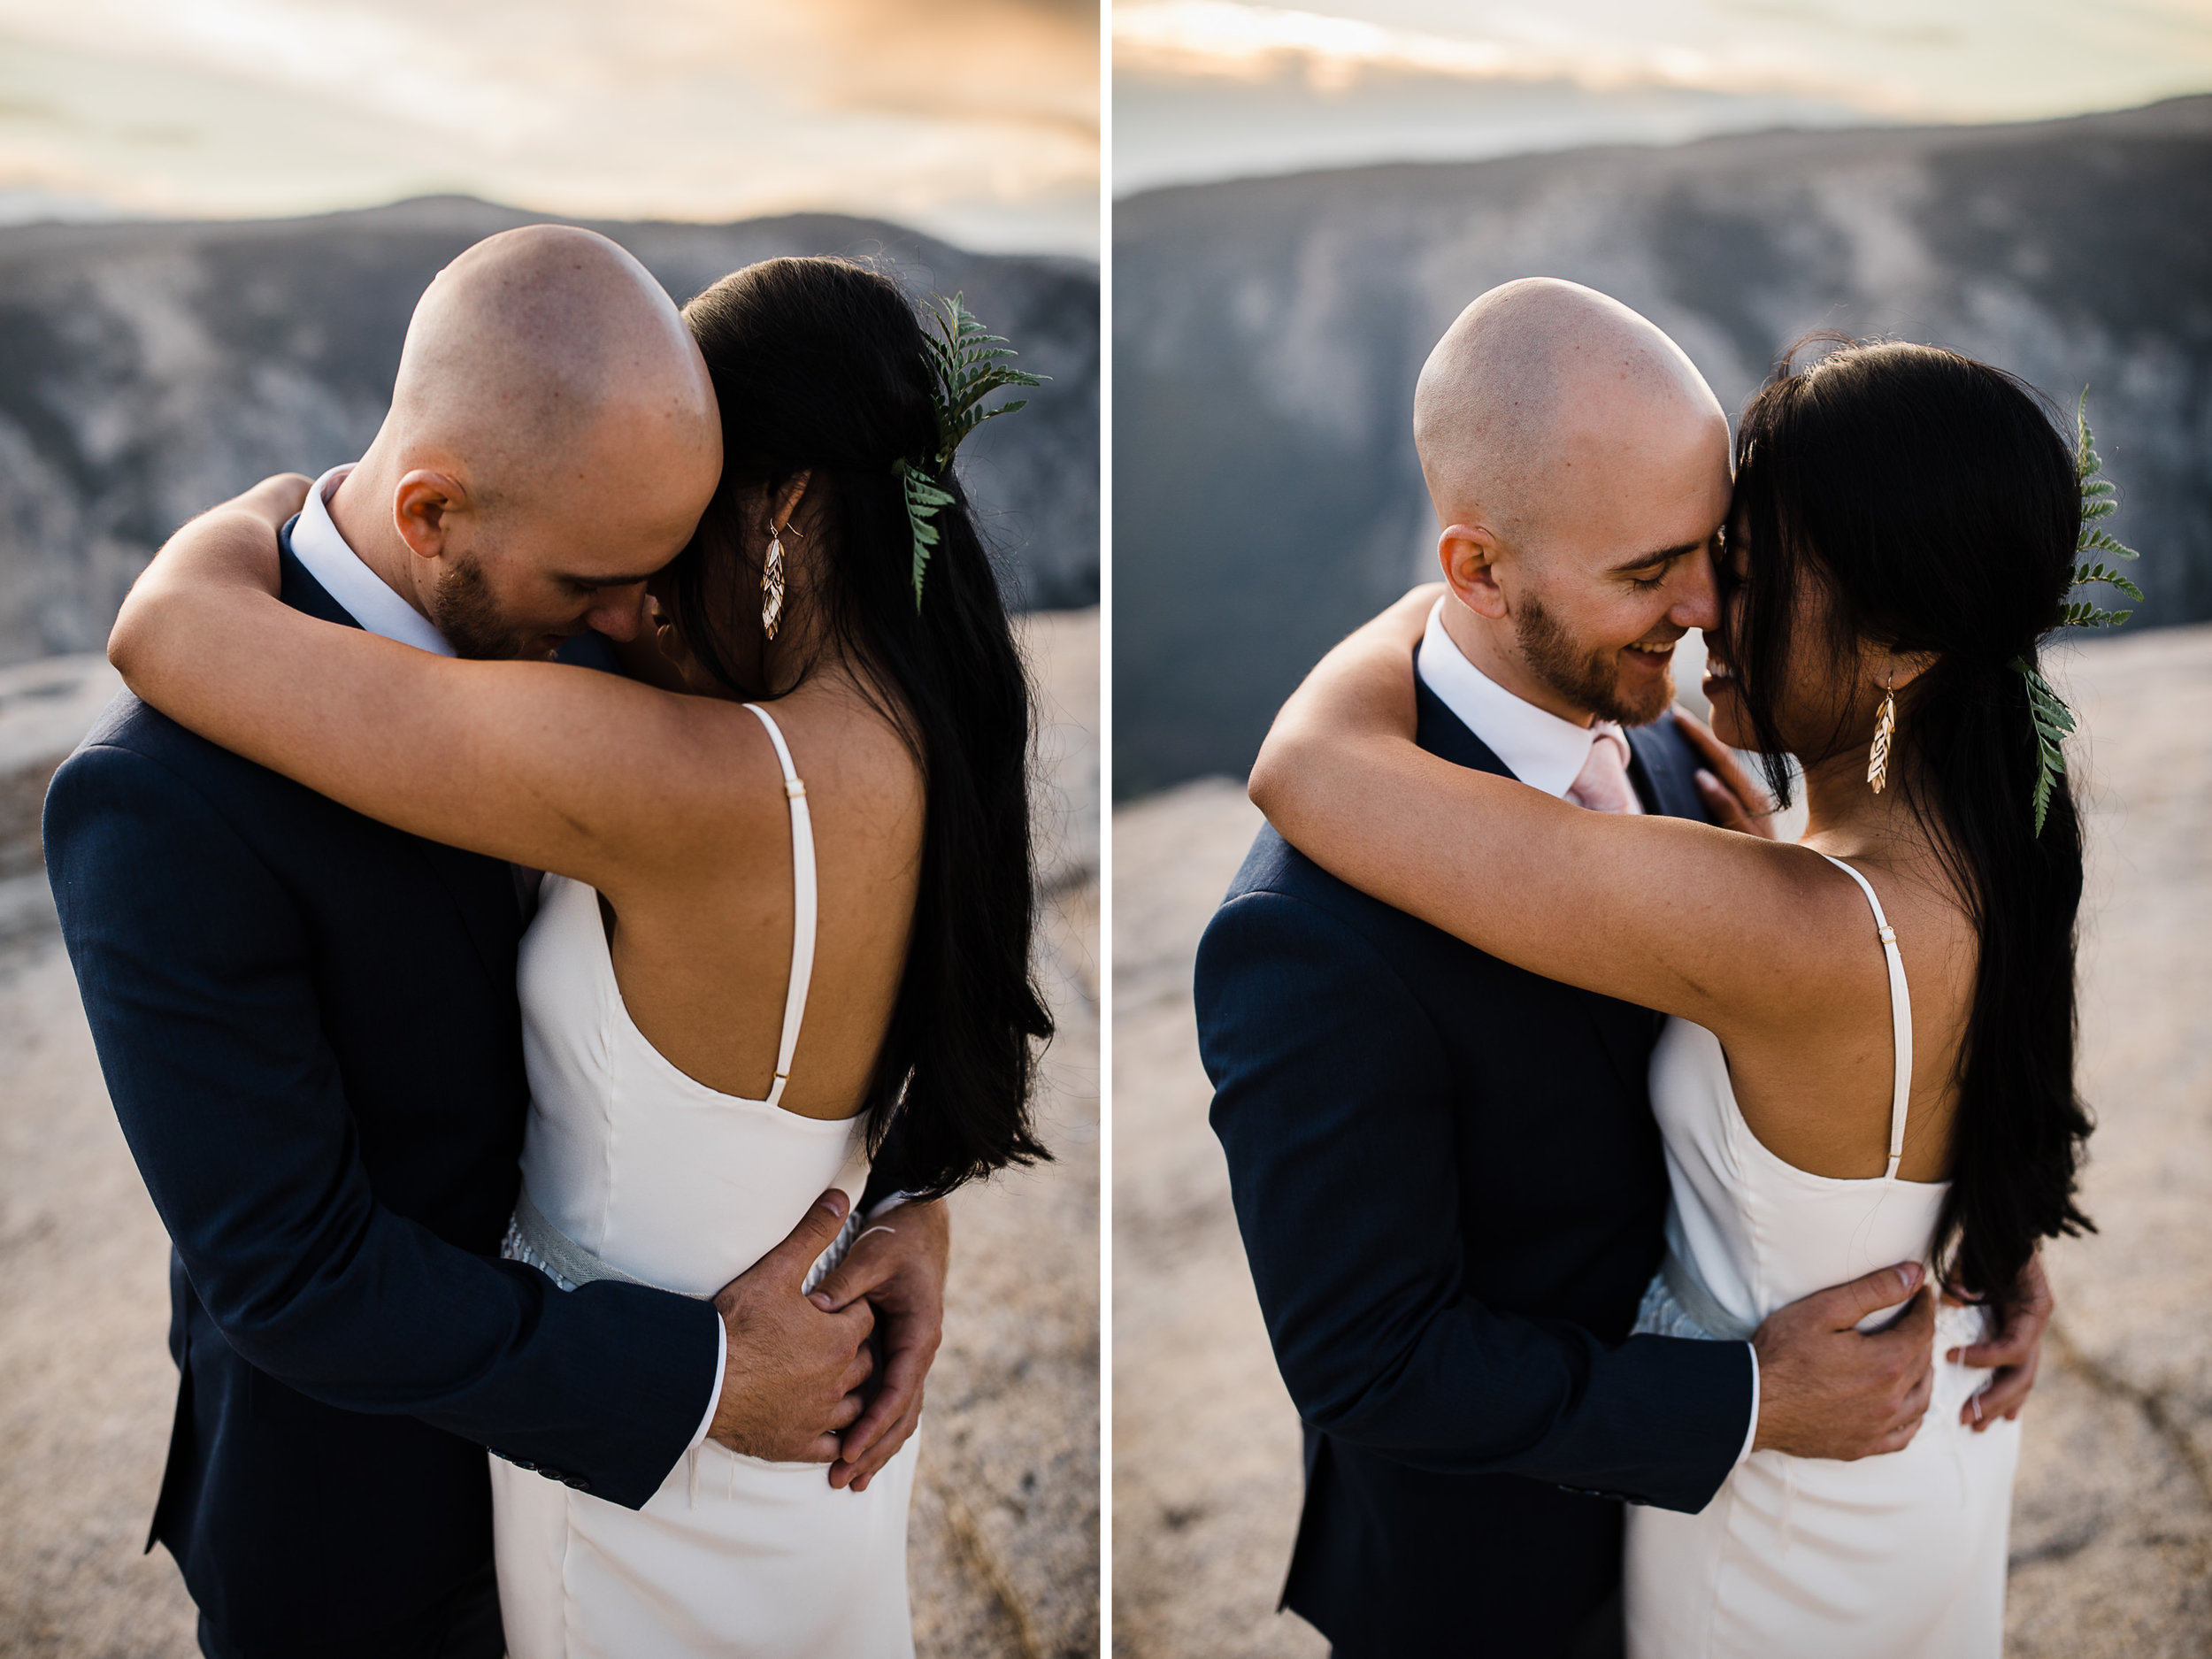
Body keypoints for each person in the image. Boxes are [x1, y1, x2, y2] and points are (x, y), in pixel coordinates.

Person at [63, 232, 1048, 1655]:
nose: (638, 619)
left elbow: (807, 953)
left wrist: (895, 1199)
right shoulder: (159, 794)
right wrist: (704, 1376)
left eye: (655, 574)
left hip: (637, 1505)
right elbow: (288, 1270)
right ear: (438, 510)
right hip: (374, 1531)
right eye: (596, 583)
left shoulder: (618, 639)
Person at [1199, 280, 2058, 1657]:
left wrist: (1960, 1230)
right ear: (1478, 571)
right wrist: (1746, 1400)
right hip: (1505, 1587)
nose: (1711, 610)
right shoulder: (1306, 930)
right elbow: (1367, 1360)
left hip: (1774, 1531)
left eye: (1721, 551)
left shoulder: (1685, 763)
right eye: (1653, 572)